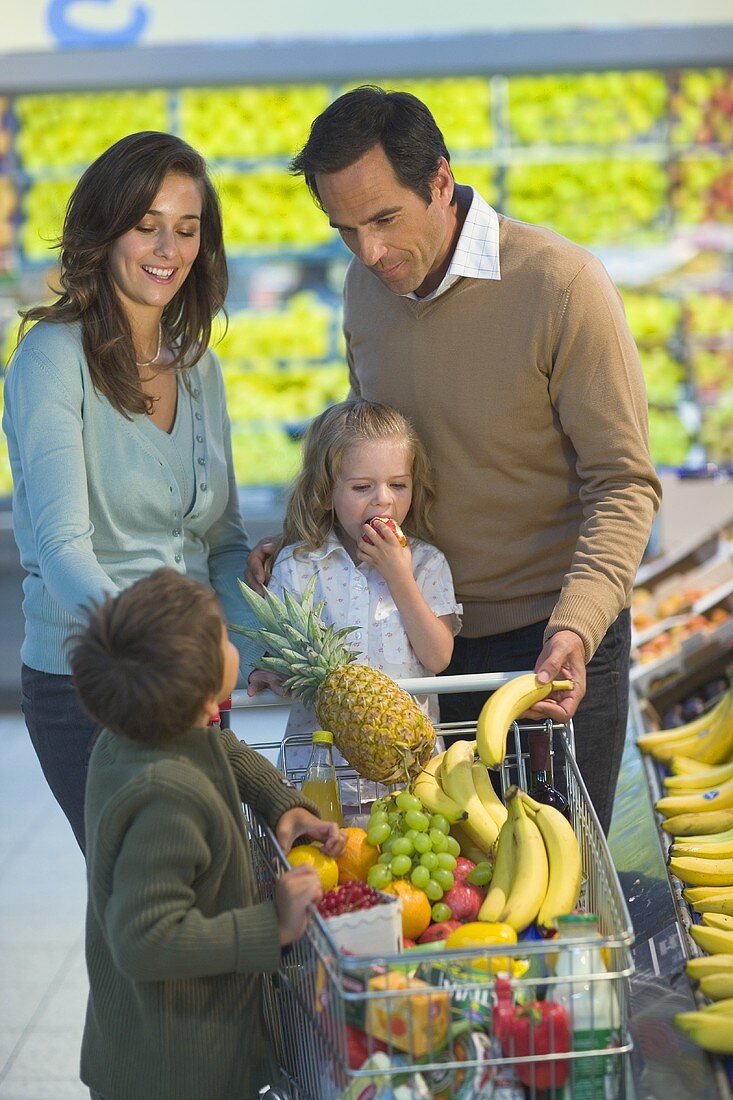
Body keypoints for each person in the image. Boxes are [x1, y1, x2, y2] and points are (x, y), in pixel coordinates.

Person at [248, 86, 663, 834]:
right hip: (408, 655)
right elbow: (364, 448)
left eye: (383, 220)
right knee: (436, 894)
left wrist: (577, 623)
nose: (367, 252)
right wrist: (315, 535)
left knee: (555, 888)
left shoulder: (560, 285)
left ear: (439, 182)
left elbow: (624, 484)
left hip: (543, 646)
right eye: (344, 229)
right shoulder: (362, 291)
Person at [2, 131, 260, 852]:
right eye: (146, 226)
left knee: (210, 886)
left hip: (194, 679)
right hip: (97, 685)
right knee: (151, 907)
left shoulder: (196, 365)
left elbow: (223, 542)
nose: (167, 249)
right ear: (103, 228)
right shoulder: (52, 359)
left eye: (186, 229)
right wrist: (164, 659)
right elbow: (61, 550)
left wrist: (243, 650)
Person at [69, 567, 342, 1100]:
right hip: (177, 1070)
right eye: (222, 636)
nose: (231, 641)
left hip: (150, 1042)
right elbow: (145, 939)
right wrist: (272, 926)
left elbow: (216, 746)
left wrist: (280, 803)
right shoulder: (167, 797)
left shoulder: (130, 735)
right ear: (201, 697)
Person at [247, 398, 462, 770]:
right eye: (362, 487)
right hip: (319, 764)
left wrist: (399, 576)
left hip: (409, 766)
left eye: (398, 484)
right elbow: (281, 657)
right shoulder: (298, 566)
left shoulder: (428, 564)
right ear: (326, 492)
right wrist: (269, 670)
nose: (384, 500)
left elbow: (438, 656)